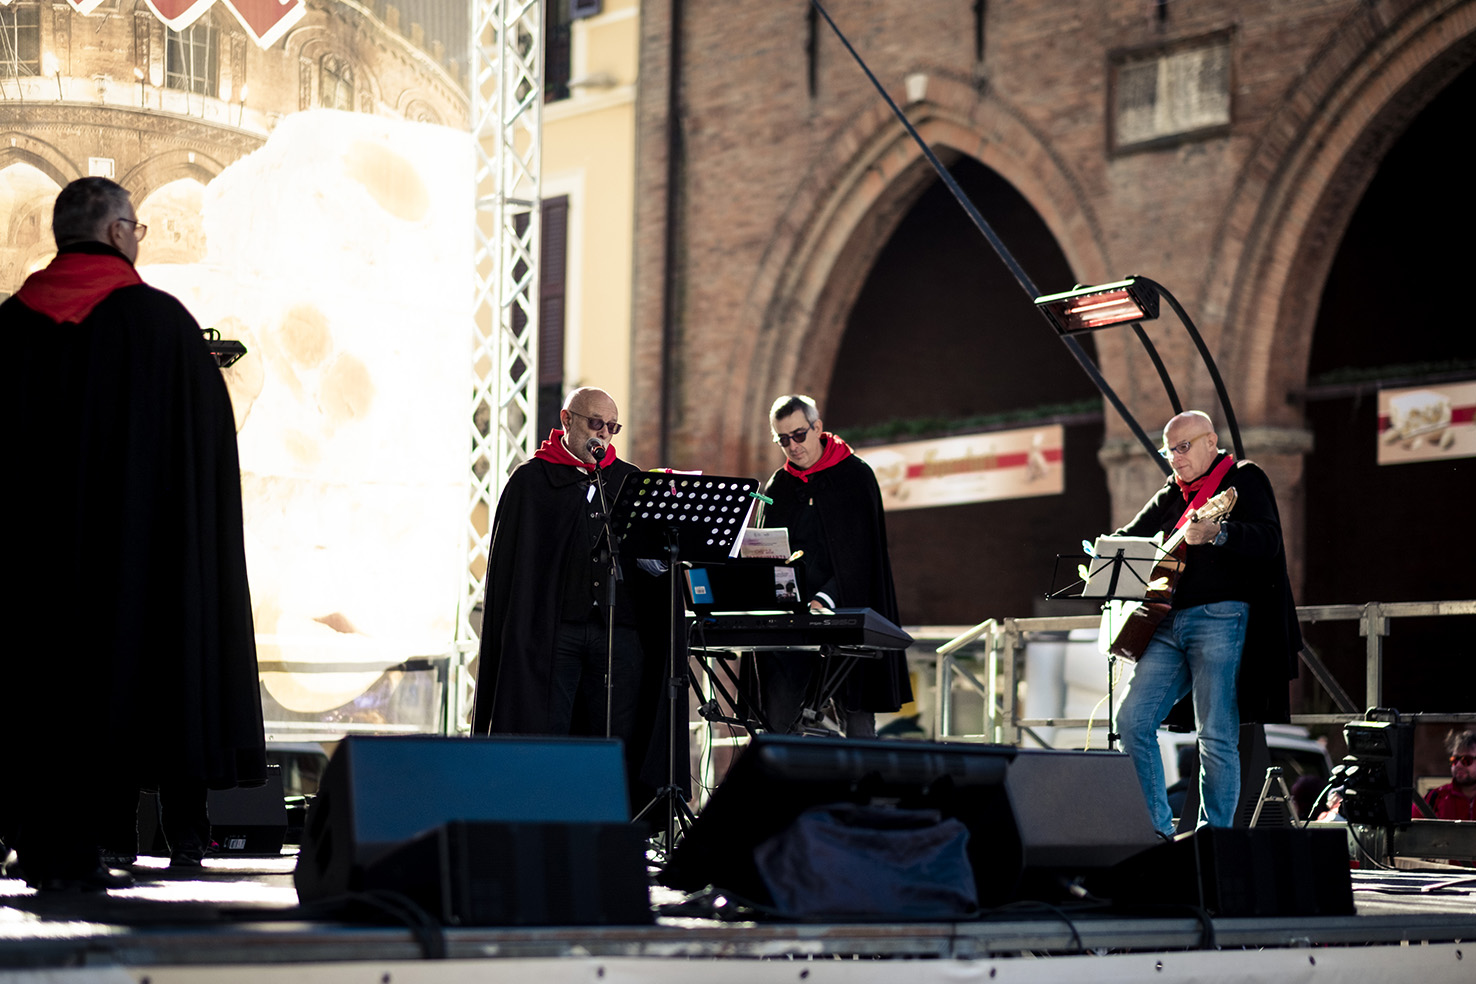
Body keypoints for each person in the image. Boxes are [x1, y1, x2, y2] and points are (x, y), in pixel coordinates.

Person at [2, 177, 266, 891]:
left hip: (31, 580)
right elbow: (204, 466)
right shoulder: (163, 327)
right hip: (136, 576)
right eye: (138, 230)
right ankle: (162, 841)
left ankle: (47, 839)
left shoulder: (10, 327)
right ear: (119, 232)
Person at [471, 388, 674, 805]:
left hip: (616, 632)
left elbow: (648, 559)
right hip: (553, 634)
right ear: (567, 420)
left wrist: (658, 557)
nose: (604, 434)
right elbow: (516, 570)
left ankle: (608, 822)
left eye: (612, 427)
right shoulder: (533, 481)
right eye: (595, 423)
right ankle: (541, 819)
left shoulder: (626, 480)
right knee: (547, 734)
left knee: (614, 736)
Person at [1108, 411, 1301, 836]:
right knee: (1131, 722)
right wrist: (1101, 556)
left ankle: (1215, 838)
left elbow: (1269, 540)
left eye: (1183, 447)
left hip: (1221, 616)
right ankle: (1157, 833)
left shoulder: (1244, 478)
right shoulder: (1171, 493)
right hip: (1166, 621)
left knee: (1215, 732)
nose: (1176, 458)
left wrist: (1219, 533)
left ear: (1211, 441)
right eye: (1169, 451)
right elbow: (1128, 537)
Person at [755, 395, 912, 736]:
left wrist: (825, 597)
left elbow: (862, 556)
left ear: (817, 428)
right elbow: (768, 554)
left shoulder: (855, 475)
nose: (793, 446)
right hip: (792, 616)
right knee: (778, 721)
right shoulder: (779, 485)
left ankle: (861, 774)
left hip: (847, 610)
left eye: (799, 435)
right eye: (783, 439)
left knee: (857, 722)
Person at [1415, 730, 1476, 821]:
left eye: (1466, 760)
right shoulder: (1435, 798)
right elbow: (1408, 825)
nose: (1458, 765)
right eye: (1454, 760)